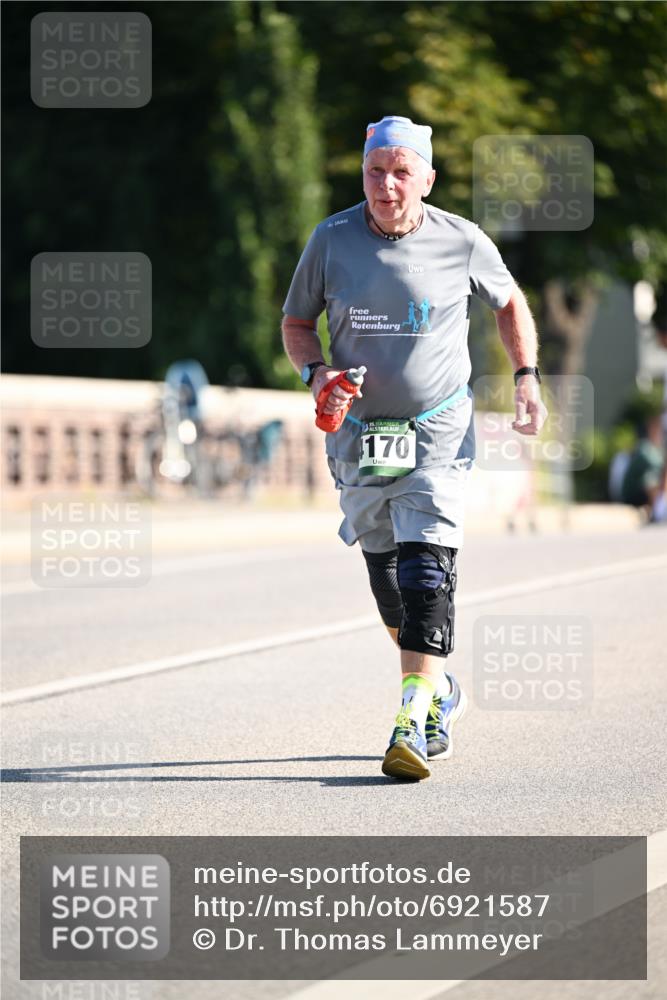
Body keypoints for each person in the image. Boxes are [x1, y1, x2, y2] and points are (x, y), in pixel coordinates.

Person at [281, 115, 547, 781]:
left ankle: (408, 717)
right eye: (376, 171)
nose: (387, 185)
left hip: (436, 430)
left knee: (425, 567)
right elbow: (294, 322)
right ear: (362, 174)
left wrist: (525, 378)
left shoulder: (461, 240)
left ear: (426, 179)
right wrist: (318, 374)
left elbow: (509, 303)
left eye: (402, 172)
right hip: (360, 437)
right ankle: (437, 692)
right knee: (387, 582)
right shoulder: (331, 240)